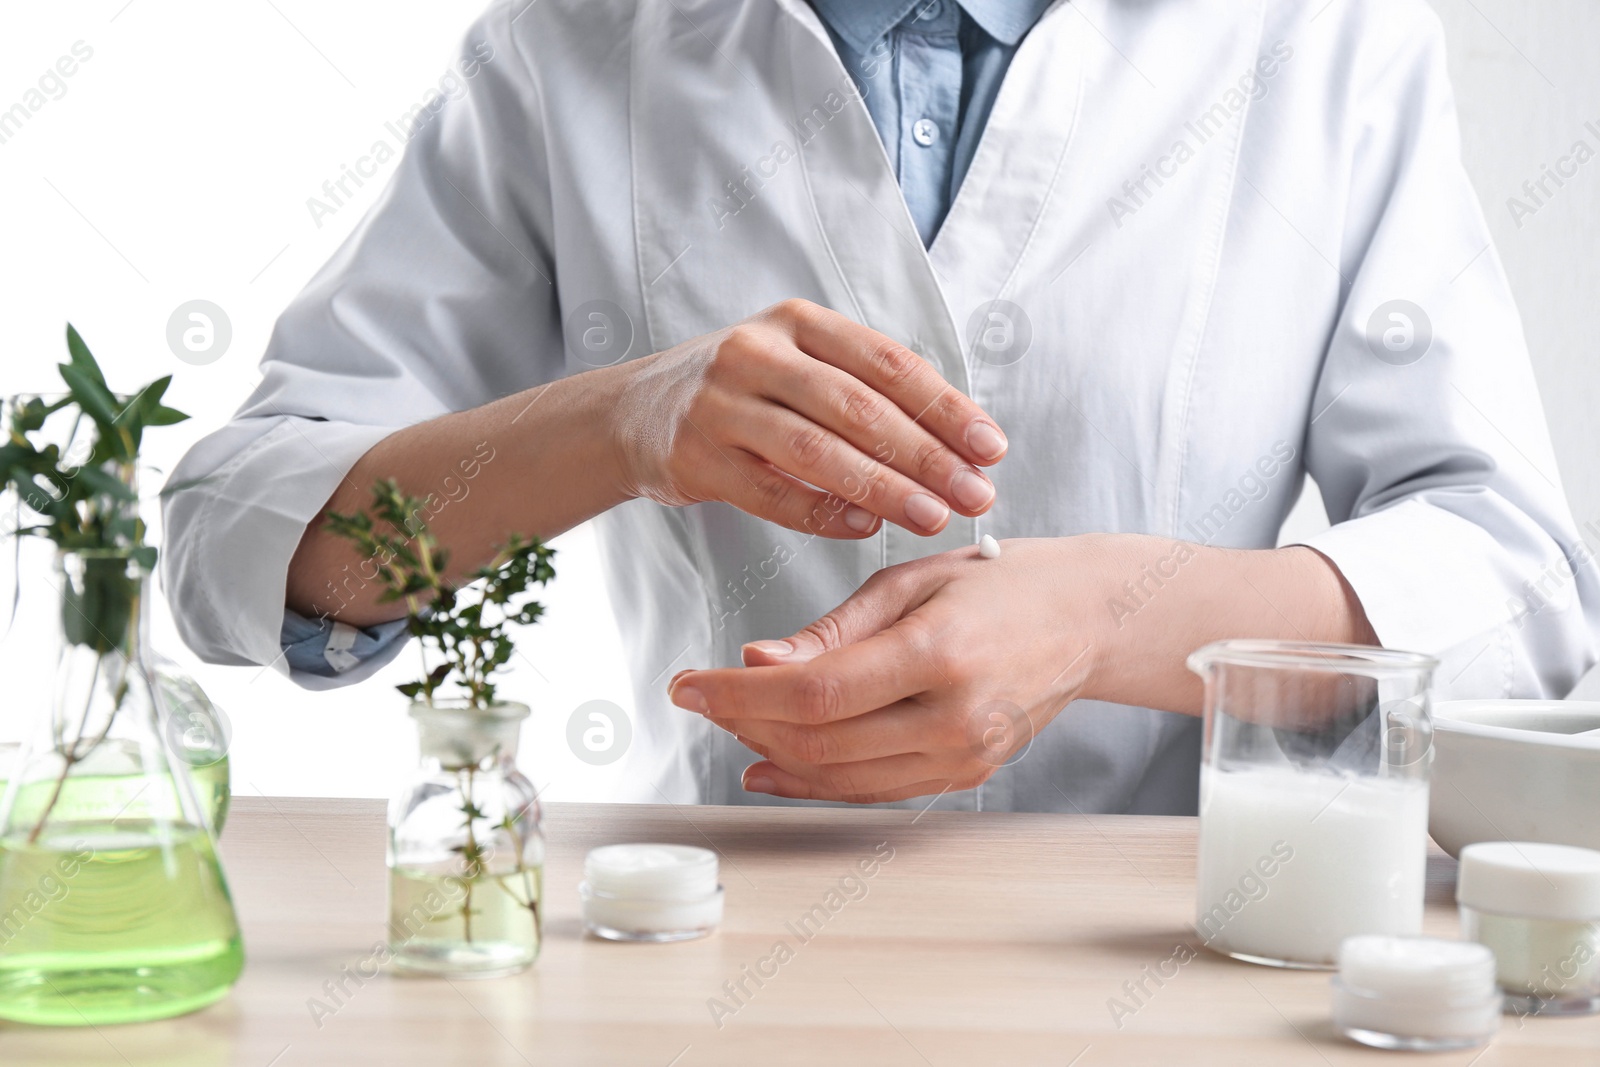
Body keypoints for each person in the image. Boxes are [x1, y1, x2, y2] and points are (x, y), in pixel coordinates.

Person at [163, 0, 1599, 813]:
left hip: (1175, 954)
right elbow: (254, 549)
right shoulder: (577, 42)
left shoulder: (1319, 32)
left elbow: (1516, 591)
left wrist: (1108, 618)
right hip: (720, 950)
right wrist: (624, 423)